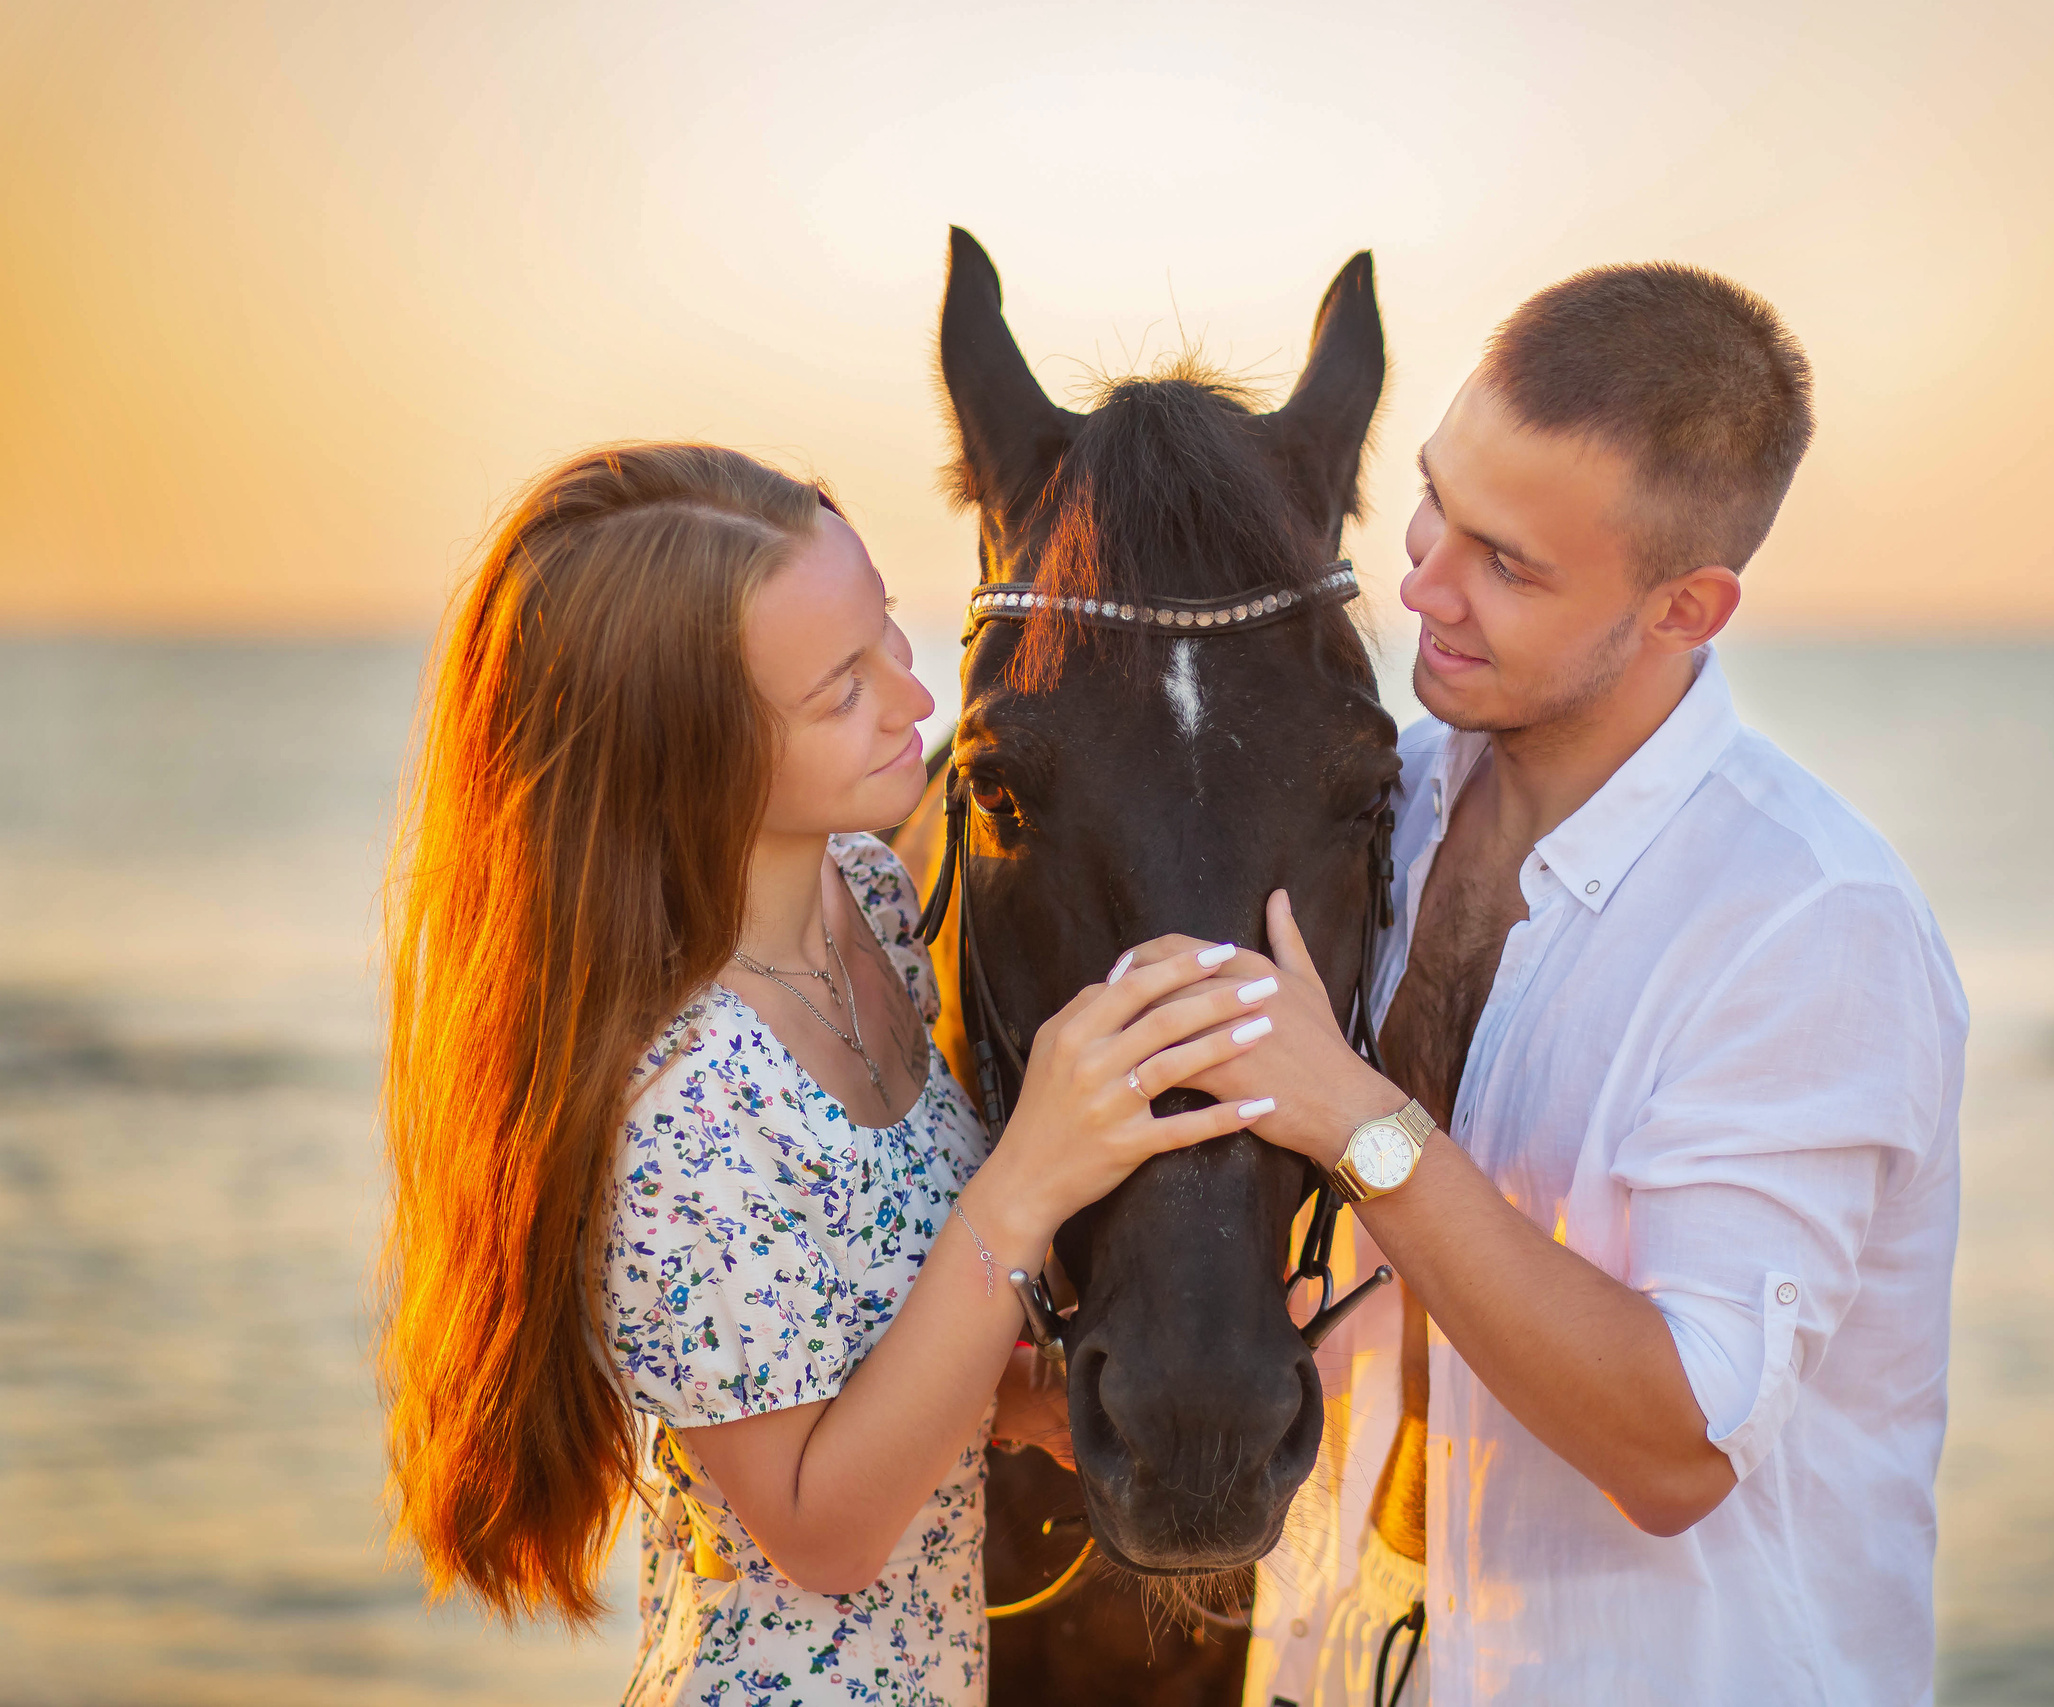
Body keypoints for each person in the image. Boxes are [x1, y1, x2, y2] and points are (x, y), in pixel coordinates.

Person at [1144, 266, 1969, 1703]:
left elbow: (1678, 1445)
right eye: (1434, 502)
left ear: (1684, 605)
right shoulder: (1380, 808)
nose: (1422, 581)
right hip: (1337, 1661)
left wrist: (1356, 1116)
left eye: (1508, 564)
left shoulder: (1803, 924)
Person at [377, 443, 1285, 1704]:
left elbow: (872, 1346)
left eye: (891, 638)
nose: (919, 703)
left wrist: (1050, 1399)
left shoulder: (867, 903)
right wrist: (1026, 1180)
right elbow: (822, 1528)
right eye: (839, 691)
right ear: (686, 758)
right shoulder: (676, 1102)